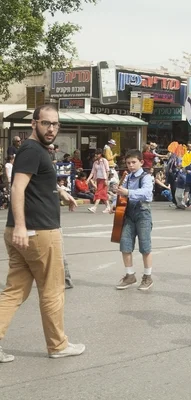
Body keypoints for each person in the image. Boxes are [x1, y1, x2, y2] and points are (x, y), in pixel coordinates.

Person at [0, 105, 85, 363]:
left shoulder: (37, 151)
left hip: (25, 232)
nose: (51, 129)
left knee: (15, 290)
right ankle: (58, 345)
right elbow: (18, 188)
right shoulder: (31, 149)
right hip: (39, 232)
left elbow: (38, 183)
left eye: (55, 124)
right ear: (34, 123)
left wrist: (62, 192)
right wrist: (23, 227)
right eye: (46, 123)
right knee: (52, 289)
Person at [115, 150, 155, 291]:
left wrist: (128, 193)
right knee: (125, 245)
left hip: (143, 212)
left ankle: (147, 277)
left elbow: (146, 193)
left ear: (141, 162)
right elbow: (120, 193)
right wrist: (114, 205)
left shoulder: (146, 177)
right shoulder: (127, 177)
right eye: (128, 163)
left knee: (145, 247)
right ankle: (130, 275)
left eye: (133, 162)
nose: (131, 165)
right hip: (128, 213)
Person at [87, 148, 110, 214]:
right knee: (103, 194)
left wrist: (106, 179)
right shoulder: (95, 162)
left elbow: (107, 170)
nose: (96, 155)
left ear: (100, 154)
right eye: (95, 154)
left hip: (103, 179)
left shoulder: (104, 161)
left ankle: (95, 207)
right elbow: (92, 172)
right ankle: (108, 207)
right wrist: (88, 179)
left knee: (99, 193)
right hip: (98, 179)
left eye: (97, 154)